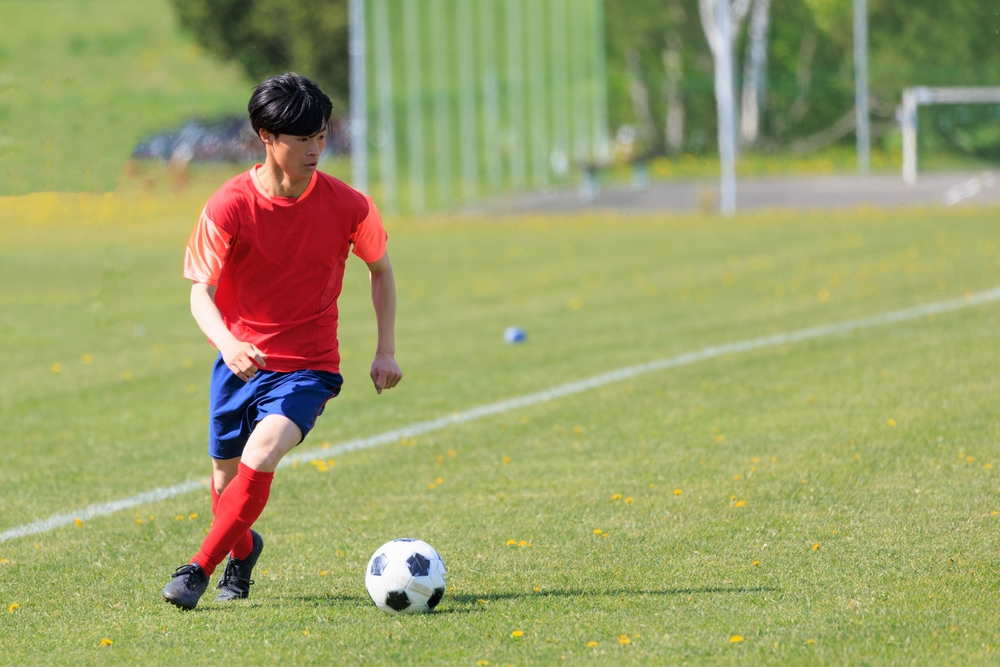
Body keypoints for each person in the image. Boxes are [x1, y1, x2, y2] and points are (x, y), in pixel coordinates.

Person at [162, 73, 401, 610]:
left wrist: (385, 348)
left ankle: (196, 570)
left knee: (263, 451)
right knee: (225, 489)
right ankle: (243, 554)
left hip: (309, 366)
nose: (317, 149)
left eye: (321, 135)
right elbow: (201, 290)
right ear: (266, 136)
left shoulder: (349, 206)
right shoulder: (228, 205)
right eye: (302, 139)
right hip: (239, 363)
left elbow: (381, 271)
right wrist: (227, 343)